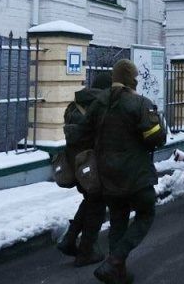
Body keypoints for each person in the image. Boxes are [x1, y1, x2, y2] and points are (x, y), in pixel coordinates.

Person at [84, 59, 167, 284]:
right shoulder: (139, 103)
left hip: (107, 174)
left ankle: (117, 272)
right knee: (146, 213)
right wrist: (159, 123)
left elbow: (85, 133)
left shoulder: (98, 103)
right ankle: (115, 260)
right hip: (136, 175)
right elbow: (156, 138)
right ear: (131, 79)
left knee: (118, 219)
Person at [57, 73, 111, 267]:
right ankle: (86, 251)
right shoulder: (100, 106)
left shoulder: (74, 105)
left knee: (90, 201)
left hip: (76, 163)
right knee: (97, 204)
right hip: (93, 163)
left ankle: (69, 240)